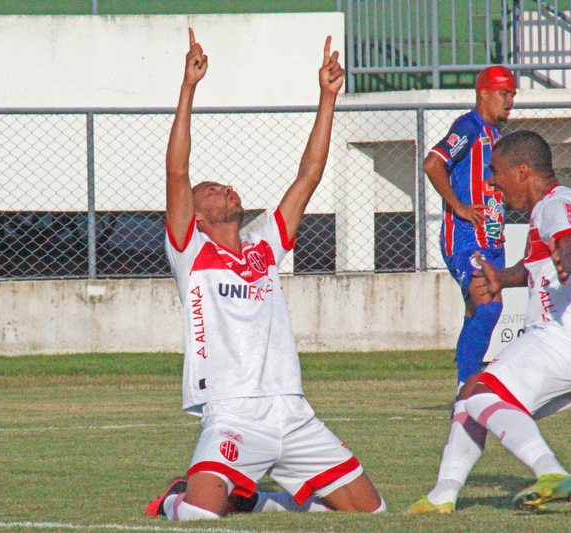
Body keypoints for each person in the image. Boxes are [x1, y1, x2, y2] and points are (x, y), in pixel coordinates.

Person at [144, 29, 385, 521]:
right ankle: (176, 497)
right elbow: (176, 172)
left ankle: (264, 500)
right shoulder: (190, 250)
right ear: (198, 213)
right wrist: (188, 88)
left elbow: (310, 175)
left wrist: (327, 97)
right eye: (212, 190)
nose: (225, 189)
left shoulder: (264, 247)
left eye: (225, 186)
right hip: (233, 414)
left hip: (293, 412)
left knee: (373, 514)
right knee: (198, 518)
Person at [407, 130, 571, 514]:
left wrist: (569, 258)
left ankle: (550, 471)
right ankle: (443, 495)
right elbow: (535, 266)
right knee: (473, 391)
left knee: (483, 394)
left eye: (496, 171)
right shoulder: (543, 212)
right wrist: (501, 278)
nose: (491, 181)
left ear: (523, 171)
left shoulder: (559, 203)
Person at [424, 65, 516, 399]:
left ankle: (465, 383)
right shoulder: (468, 126)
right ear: (484, 94)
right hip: (465, 239)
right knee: (488, 305)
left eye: (513, 95)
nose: (510, 102)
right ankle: (467, 386)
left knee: (480, 309)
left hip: (492, 239)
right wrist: (459, 207)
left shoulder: (497, 135)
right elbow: (433, 163)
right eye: (504, 94)